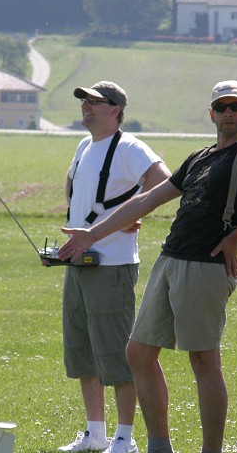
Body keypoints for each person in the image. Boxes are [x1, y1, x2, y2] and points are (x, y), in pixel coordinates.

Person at [57, 80, 237, 453]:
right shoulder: (200, 157)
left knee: (203, 360)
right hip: (170, 259)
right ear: (211, 114)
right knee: (137, 353)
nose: (228, 113)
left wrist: (234, 239)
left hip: (205, 264)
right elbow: (148, 199)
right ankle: (158, 445)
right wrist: (90, 235)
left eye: (236, 107)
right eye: (221, 107)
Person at [57, 81, 171, 453]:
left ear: (116, 110)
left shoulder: (130, 147)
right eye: (84, 102)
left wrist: (131, 215)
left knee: (117, 354)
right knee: (83, 352)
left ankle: (125, 438)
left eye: (95, 102)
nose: (86, 107)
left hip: (113, 265)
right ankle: (95, 434)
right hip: (79, 262)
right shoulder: (83, 146)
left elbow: (164, 183)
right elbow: (77, 192)